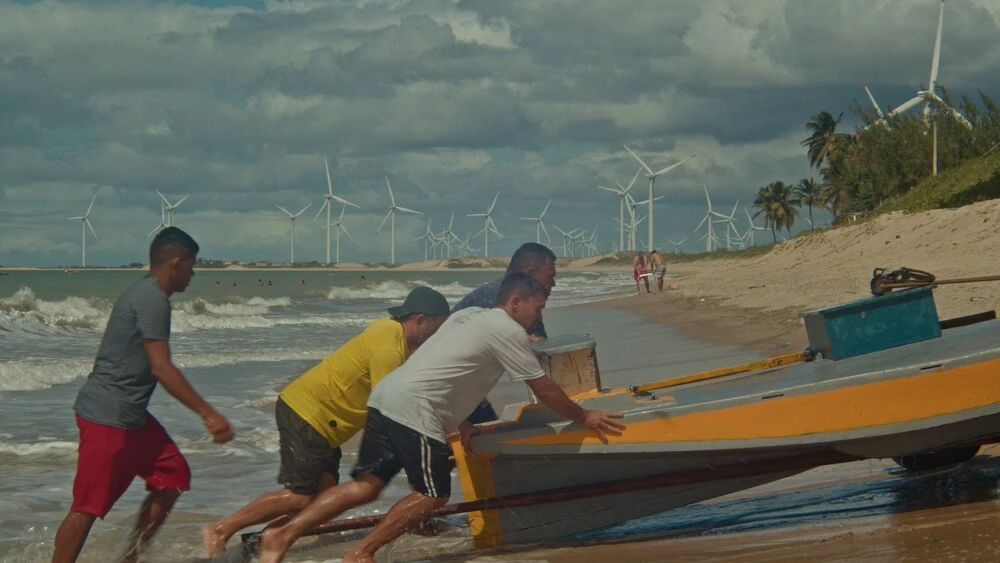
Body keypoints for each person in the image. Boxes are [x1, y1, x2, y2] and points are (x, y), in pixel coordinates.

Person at [256, 273, 625, 563]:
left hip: (385, 398)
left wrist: (462, 424)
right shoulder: (508, 331)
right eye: (538, 307)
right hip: (417, 411)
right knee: (433, 493)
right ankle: (361, 553)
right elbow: (544, 388)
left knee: (365, 486)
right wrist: (585, 415)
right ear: (515, 301)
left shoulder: (468, 316)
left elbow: (440, 364)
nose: (539, 316)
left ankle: (281, 534)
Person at [200, 287, 450, 557]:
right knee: (301, 496)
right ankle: (221, 529)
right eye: (439, 327)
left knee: (324, 499)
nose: (439, 336)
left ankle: (262, 543)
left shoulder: (394, 335)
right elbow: (389, 408)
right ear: (420, 320)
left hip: (324, 422)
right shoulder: (389, 346)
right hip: (308, 412)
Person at [52, 227, 234, 563]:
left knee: (173, 476)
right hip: (107, 415)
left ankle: (131, 557)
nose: (193, 274)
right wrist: (208, 414)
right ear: (176, 262)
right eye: (192, 265)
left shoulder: (149, 294)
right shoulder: (152, 299)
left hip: (132, 416)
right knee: (87, 507)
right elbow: (161, 367)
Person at [451, 242, 557, 424]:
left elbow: (541, 348)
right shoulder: (495, 301)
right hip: (452, 390)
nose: (553, 283)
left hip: (471, 388)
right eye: (550, 277)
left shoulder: (522, 298)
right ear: (530, 273)